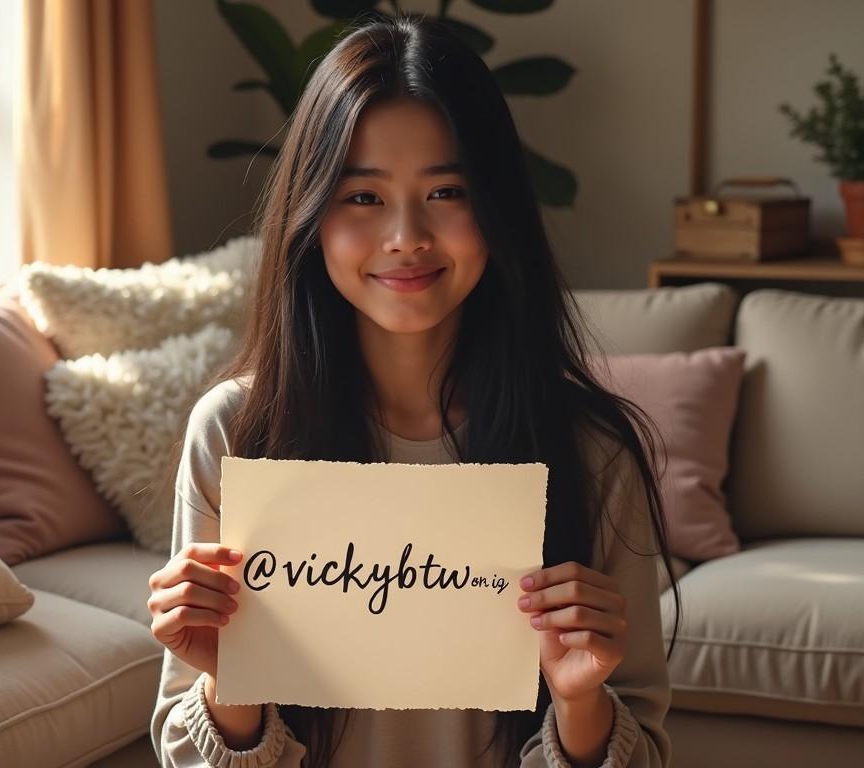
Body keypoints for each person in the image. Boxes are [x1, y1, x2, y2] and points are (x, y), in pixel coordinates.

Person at [147, 11, 681, 768]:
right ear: (311, 215)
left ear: (497, 208)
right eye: (363, 197)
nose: (405, 236)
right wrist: (232, 681)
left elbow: (648, 751)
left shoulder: (592, 452)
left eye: (448, 191)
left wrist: (581, 702)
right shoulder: (236, 431)